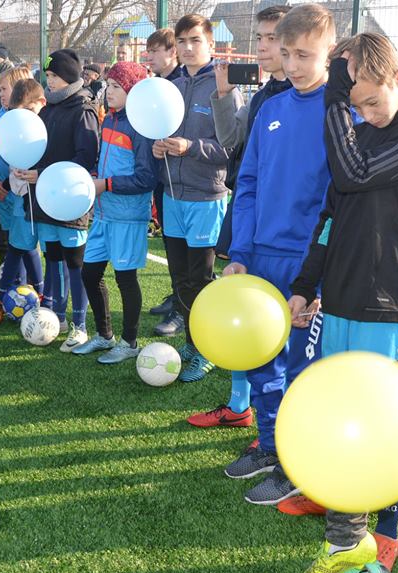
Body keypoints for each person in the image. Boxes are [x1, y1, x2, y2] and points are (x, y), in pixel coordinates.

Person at [286, 32, 398, 573]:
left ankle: (385, 534)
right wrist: (307, 285)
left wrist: (333, 98)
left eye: (372, 101)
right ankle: (339, 538)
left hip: (386, 305)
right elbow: (331, 216)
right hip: (340, 300)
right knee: (339, 417)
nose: (366, 114)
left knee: (385, 427)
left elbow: (354, 173)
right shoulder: (354, 132)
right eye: (356, 106)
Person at [210, 4, 335, 506]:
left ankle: (298, 463)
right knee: (260, 357)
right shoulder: (271, 110)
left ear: (329, 52)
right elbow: (249, 183)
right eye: (287, 53)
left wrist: (320, 280)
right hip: (259, 257)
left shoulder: (340, 113)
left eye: (305, 54)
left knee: (303, 369)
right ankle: (268, 445)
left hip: (308, 265)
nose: (295, 63)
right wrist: (239, 252)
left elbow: (337, 203)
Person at [187, 4, 292, 430]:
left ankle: (279, 426)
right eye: (260, 38)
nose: (263, 47)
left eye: (272, 38)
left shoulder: (310, 99)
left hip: (283, 230)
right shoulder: (265, 94)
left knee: (281, 325)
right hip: (249, 217)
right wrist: (224, 94)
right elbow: (233, 143)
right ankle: (239, 405)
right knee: (242, 306)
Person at [155, 14, 241, 382]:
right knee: (180, 280)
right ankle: (192, 342)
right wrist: (159, 147)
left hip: (207, 197)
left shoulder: (225, 88)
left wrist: (190, 147)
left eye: (195, 41)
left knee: (201, 280)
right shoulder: (169, 85)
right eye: (182, 42)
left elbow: (231, 148)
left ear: (210, 45)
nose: (188, 48)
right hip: (172, 196)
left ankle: (207, 349)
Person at [14, 48, 100, 352]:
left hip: (70, 201)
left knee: (75, 263)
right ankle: (54, 315)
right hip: (45, 200)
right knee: (52, 256)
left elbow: (85, 157)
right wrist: (26, 166)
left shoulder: (83, 110)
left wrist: (45, 175)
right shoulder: (49, 109)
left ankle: (80, 326)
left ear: (68, 78)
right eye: (47, 75)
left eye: (53, 76)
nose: (48, 81)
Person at [71, 61, 156, 363]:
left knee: (125, 279)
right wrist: (94, 176)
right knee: (90, 273)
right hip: (104, 214)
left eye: (117, 87)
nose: (109, 92)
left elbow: (147, 179)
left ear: (133, 90)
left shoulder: (142, 127)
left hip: (128, 216)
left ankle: (130, 342)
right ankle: (104, 335)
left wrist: (105, 183)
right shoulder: (109, 120)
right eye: (109, 86)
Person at [0, 73, 48, 326]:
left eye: (28, 110)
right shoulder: (9, 123)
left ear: (41, 103)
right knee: (19, 246)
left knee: (23, 249)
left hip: (39, 201)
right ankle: (33, 295)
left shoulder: (45, 127)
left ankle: (32, 298)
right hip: (17, 195)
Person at [145, 28, 185, 329]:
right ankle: (176, 295)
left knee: (189, 250)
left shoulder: (183, 84)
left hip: (186, 180)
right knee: (170, 240)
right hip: (161, 174)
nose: (150, 57)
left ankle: (185, 307)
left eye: (156, 51)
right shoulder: (155, 85)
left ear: (172, 52)